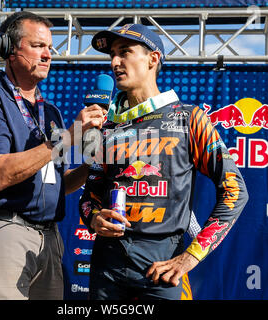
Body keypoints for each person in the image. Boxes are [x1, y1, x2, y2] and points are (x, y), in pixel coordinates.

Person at [79, 24, 249, 300]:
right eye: (112, 54)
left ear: (153, 59)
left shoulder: (189, 119)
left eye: (125, 52)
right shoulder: (105, 127)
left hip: (161, 266)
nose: (115, 62)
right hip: (106, 267)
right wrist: (95, 217)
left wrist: (190, 257)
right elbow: (90, 195)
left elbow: (235, 191)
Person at [0, 11, 106, 300]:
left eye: (50, 48)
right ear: (9, 49)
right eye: (38, 45)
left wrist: (94, 165)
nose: (48, 54)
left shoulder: (49, 111)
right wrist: (67, 137)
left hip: (50, 237)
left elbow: (56, 184)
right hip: (6, 229)